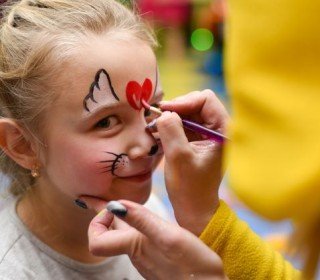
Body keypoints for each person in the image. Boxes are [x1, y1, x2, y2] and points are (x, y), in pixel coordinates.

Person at [0, 0, 205, 278]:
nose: (147, 144)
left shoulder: (147, 214)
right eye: (106, 122)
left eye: (149, 110)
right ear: (22, 145)